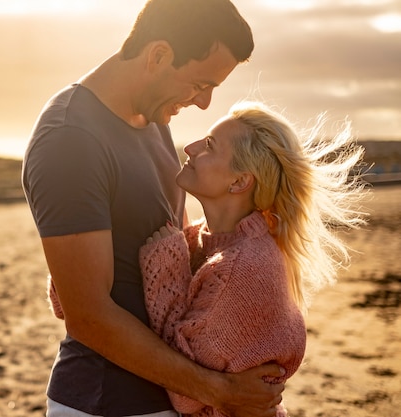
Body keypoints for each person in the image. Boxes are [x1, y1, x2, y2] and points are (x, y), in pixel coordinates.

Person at [22, 1, 288, 416]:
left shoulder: (154, 119)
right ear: (159, 54)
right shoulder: (69, 140)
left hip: (173, 397)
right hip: (105, 402)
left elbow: (178, 257)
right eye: (200, 83)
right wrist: (218, 390)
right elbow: (88, 315)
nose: (203, 103)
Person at [137, 101, 366, 416]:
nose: (189, 147)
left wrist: (164, 266)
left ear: (239, 182)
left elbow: (186, 396)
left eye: (209, 146)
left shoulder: (245, 266)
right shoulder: (206, 240)